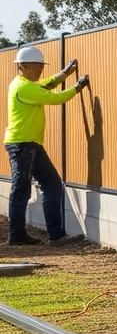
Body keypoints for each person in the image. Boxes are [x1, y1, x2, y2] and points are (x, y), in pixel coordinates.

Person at [6, 46, 88, 246]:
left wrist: (64, 73)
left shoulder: (24, 83)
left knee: (52, 185)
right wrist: (77, 87)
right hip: (22, 145)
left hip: (31, 144)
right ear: (23, 66)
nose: (41, 69)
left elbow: (46, 85)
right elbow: (55, 98)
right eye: (37, 66)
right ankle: (17, 235)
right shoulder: (23, 87)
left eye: (42, 66)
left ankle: (56, 235)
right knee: (21, 189)